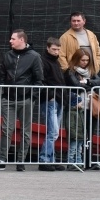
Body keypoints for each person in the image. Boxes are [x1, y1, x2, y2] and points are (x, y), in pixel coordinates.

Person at [0, 29, 43, 172]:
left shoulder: (34, 56)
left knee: (25, 131)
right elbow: (2, 76)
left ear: (21, 40)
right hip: (9, 98)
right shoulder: (7, 55)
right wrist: (3, 92)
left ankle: (21, 161)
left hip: (25, 98)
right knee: (6, 129)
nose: (10, 41)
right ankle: (2, 160)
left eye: (13, 39)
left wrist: (32, 96)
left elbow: (39, 79)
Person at [63, 49, 100, 171]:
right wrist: (90, 84)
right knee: (77, 136)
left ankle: (87, 161)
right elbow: (76, 85)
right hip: (77, 107)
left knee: (89, 134)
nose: (85, 62)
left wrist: (87, 81)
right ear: (77, 59)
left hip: (91, 106)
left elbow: (99, 81)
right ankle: (73, 161)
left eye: (87, 60)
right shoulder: (70, 72)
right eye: (82, 60)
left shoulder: (91, 72)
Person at [38, 38, 67, 172]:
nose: (56, 52)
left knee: (54, 132)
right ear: (48, 48)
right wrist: (50, 96)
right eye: (54, 49)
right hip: (51, 99)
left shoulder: (55, 62)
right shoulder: (44, 61)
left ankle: (50, 159)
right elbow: (42, 80)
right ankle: (44, 159)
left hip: (57, 98)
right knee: (53, 132)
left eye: (58, 49)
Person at [58, 11, 100, 76]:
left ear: (84, 21)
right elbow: (60, 56)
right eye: (74, 21)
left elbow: (98, 53)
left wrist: (97, 67)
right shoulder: (65, 37)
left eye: (78, 21)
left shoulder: (91, 35)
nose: (76, 23)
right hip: (74, 74)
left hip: (91, 72)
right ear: (70, 22)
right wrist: (69, 71)